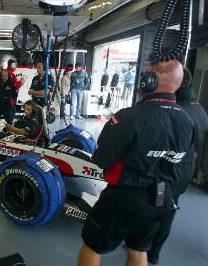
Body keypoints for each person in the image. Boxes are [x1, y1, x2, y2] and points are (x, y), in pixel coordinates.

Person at [77, 58, 195, 266]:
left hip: (123, 198)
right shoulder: (187, 121)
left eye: (151, 72)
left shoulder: (128, 117)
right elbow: (182, 164)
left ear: (150, 81)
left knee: (92, 247)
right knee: (139, 251)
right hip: (160, 198)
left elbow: (101, 159)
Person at [147, 67, 208, 264]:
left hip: (168, 170)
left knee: (156, 208)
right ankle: (152, 250)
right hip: (185, 170)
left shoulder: (175, 110)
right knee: (169, 208)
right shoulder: (199, 108)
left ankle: (147, 248)